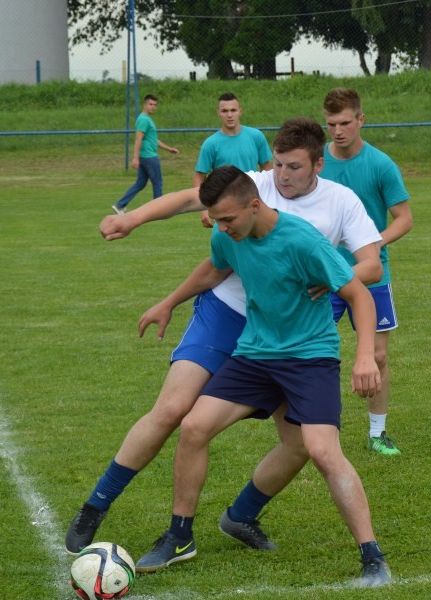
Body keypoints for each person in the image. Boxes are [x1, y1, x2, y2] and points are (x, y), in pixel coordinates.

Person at [66, 119, 383, 560]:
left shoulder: (338, 203)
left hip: (289, 331)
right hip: (230, 315)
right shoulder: (249, 188)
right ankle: (98, 507)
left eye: (293, 167)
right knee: (176, 411)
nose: (282, 175)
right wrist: (134, 219)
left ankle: (242, 515)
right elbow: (194, 211)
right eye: (278, 164)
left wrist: (330, 277)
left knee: (304, 445)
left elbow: (370, 268)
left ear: (317, 164)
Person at [132, 166, 390, 585]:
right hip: (254, 354)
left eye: (228, 219)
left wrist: (365, 358)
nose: (221, 228)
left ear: (255, 205)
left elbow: (359, 294)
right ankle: (179, 537)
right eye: (216, 219)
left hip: (309, 357)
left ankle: (372, 556)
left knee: (321, 450)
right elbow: (213, 268)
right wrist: (169, 302)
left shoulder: (303, 241)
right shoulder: (228, 236)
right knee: (194, 426)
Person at [321, 87, 413, 456]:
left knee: (378, 356)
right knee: (314, 351)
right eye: (331, 124)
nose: (338, 130)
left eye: (345, 123)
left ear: (361, 120)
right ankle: (318, 428)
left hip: (373, 273)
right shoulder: (316, 162)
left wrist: (374, 242)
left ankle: (378, 433)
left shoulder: (380, 164)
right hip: (324, 275)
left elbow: (404, 218)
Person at [193, 92, 272, 226]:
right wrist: (203, 209)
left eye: (233, 110)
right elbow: (199, 177)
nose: (229, 115)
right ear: (218, 113)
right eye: (225, 111)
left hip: (251, 202)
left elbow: (267, 169)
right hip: (223, 205)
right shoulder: (210, 144)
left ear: (240, 111)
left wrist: (269, 198)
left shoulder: (256, 136)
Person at [112, 94, 179, 215]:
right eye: (150, 104)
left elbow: (153, 139)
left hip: (146, 156)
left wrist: (169, 149)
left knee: (140, 183)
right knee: (157, 183)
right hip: (149, 157)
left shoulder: (146, 119)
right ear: (145, 105)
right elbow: (138, 138)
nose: (153, 107)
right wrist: (135, 158)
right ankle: (158, 210)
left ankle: (120, 205)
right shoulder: (143, 119)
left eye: (155, 105)